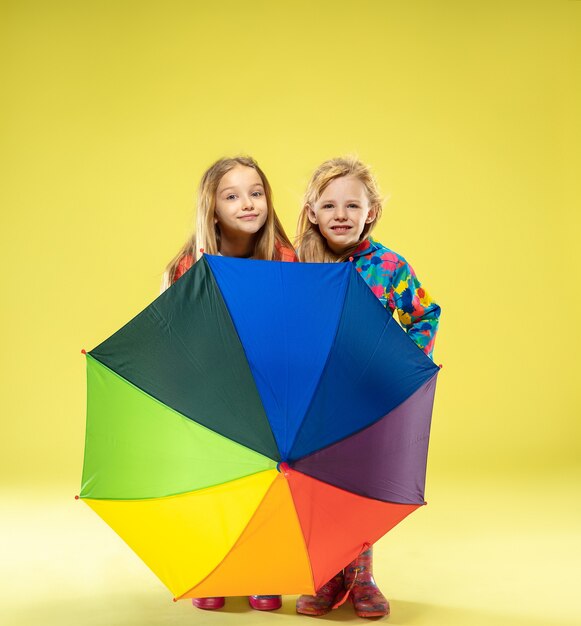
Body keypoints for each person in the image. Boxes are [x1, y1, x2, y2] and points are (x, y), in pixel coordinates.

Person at [294, 156, 441, 618]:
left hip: (371, 401)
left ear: (370, 211)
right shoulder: (299, 264)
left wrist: (401, 366)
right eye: (330, 205)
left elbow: (424, 314)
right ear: (313, 212)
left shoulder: (390, 266)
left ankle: (362, 577)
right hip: (314, 401)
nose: (341, 214)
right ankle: (326, 574)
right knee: (318, 488)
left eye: (352, 205)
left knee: (360, 488)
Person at [161, 155, 296, 611]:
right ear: (212, 208)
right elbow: (175, 336)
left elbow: (294, 325)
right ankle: (211, 568)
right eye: (232, 195)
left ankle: (262, 568)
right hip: (211, 390)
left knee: (265, 481)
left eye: (255, 192)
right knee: (216, 480)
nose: (247, 204)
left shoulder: (283, 257)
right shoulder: (189, 265)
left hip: (269, 388)